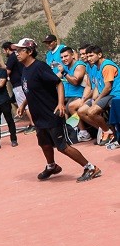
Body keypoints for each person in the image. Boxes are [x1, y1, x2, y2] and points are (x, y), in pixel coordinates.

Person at [12, 38, 101, 182]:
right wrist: (22, 105)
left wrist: (60, 104)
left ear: (29, 52)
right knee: (44, 143)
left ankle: (91, 167)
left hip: (51, 114)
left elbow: (58, 83)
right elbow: (31, 91)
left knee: (62, 146)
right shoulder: (25, 70)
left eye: (20, 50)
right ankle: (51, 166)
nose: (17, 53)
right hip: (38, 117)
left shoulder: (40, 67)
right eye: (16, 50)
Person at [77, 45, 119, 146]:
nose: (88, 58)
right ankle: (105, 129)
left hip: (114, 94)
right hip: (104, 94)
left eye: (91, 55)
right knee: (81, 111)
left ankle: (109, 133)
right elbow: (96, 85)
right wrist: (91, 99)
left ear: (99, 55)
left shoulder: (107, 66)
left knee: (91, 112)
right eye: (87, 56)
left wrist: (96, 101)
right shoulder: (95, 67)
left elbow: (108, 87)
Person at [2, 41, 35, 134]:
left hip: (18, 84)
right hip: (20, 83)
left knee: (25, 105)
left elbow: (7, 71)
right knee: (17, 101)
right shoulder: (16, 58)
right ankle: (33, 121)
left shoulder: (12, 57)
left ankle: (33, 124)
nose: (4, 53)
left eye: (4, 50)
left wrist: (0, 75)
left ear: (7, 49)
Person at [68, 44, 94, 142]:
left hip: (100, 96)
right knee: (71, 106)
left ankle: (104, 129)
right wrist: (84, 99)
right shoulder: (88, 66)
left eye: (85, 54)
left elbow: (97, 89)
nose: (83, 56)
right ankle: (83, 132)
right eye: (81, 54)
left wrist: (86, 99)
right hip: (90, 96)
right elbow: (88, 86)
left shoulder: (84, 66)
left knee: (81, 110)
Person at [56, 47, 86, 117]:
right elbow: (55, 78)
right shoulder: (65, 66)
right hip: (66, 96)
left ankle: (77, 127)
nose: (63, 59)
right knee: (54, 109)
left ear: (72, 55)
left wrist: (64, 72)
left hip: (77, 96)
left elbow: (75, 82)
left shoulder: (79, 65)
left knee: (64, 111)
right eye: (62, 57)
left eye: (66, 56)